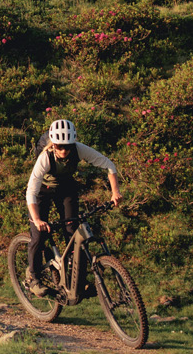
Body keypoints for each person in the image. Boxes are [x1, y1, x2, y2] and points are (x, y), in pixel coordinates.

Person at [24, 118, 122, 296]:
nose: (64, 150)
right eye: (59, 146)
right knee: (39, 235)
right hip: (42, 192)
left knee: (75, 233)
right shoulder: (45, 157)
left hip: (65, 187)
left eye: (67, 146)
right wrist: (37, 219)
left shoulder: (79, 149)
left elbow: (108, 165)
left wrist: (115, 192)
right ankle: (33, 277)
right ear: (53, 144)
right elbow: (31, 190)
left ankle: (79, 281)